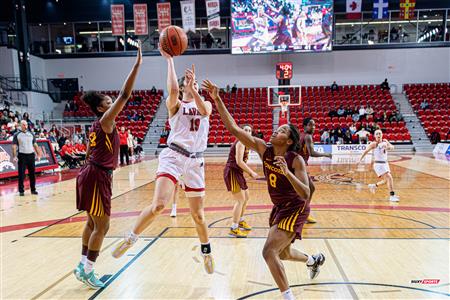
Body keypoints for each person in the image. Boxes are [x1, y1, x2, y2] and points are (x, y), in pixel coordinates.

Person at [203, 79, 325, 300]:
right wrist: (218, 99)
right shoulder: (264, 149)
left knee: (268, 251)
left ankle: (289, 297)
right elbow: (233, 129)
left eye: (281, 131)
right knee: (283, 252)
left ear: (288, 141)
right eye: (277, 128)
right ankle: (312, 260)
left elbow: (306, 194)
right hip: (279, 208)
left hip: (295, 208)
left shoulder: (296, 160)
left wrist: (287, 173)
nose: (275, 131)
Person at [111, 47, 215, 274]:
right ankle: (131, 238)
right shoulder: (175, 105)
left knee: (198, 215)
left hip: (196, 161)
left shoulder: (204, 104)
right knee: (159, 204)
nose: (193, 87)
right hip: (174, 156)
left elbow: (205, 111)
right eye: (190, 85)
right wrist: (169, 61)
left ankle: (206, 250)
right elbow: (173, 89)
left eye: (195, 85)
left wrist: (195, 89)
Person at [73, 41, 142, 289]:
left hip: (90, 172)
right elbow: (125, 95)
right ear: (102, 107)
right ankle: (89, 270)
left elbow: (90, 150)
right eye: (108, 101)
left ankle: (82, 265)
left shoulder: (96, 125)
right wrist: (136, 66)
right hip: (97, 175)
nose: (113, 102)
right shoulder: (105, 120)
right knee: (103, 225)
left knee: (92, 223)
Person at [224, 124, 259, 237]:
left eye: (249, 130)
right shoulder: (240, 142)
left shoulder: (246, 143)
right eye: (245, 130)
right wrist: (251, 172)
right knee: (240, 200)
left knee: (246, 197)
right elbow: (239, 162)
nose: (247, 132)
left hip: (238, 172)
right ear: (241, 131)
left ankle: (241, 220)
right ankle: (234, 228)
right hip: (233, 172)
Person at [298, 118, 332, 224]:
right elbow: (311, 153)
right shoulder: (307, 136)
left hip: (297, 164)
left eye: (314, 125)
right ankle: (303, 213)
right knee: (310, 189)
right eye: (310, 125)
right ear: (304, 126)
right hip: (299, 165)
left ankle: (302, 212)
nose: (313, 127)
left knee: (307, 189)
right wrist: (326, 154)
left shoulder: (301, 135)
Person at [358, 129, 399, 202]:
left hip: (385, 163)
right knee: (389, 177)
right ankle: (392, 196)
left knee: (385, 180)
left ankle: (374, 186)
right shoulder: (373, 144)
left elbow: (392, 147)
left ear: (382, 134)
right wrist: (360, 160)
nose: (378, 135)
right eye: (377, 134)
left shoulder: (385, 141)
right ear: (374, 136)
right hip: (378, 164)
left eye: (380, 133)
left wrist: (389, 147)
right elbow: (366, 151)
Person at [12, 120, 42, 196]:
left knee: (32, 174)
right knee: (21, 174)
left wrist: (38, 155)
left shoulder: (31, 134)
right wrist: (15, 156)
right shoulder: (17, 135)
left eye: (26, 125)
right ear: (20, 125)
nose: (25, 126)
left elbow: (35, 145)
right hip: (22, 156)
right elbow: (14, 146)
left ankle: (33, 189)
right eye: (24, 125)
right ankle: (21, 191)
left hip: (31, 156)